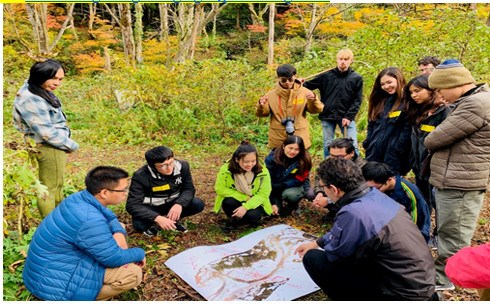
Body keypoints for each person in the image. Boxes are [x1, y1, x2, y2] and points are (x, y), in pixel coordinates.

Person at [294, 157, 436, 300]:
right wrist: (317, 242)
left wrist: (321, 248)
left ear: (334, 189)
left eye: (323, 187)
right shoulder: (375, 196)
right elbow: (344, 232)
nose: (324, 191)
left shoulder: (353, 213)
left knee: (313, 258)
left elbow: (338, 256)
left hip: (402, 294)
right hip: (422, 283)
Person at [22, 166, 146, 301]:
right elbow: (113, 258)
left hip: (49, 269)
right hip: (55, 287)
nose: (126, 193)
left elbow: (109, 217)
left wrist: (118, 232)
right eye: (123, 190)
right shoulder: (90, 220)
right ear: (104, 192)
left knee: (119, 227)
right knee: (133, 274)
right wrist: (139, 253)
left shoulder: (80, 198)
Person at [424, 59, 490, 291]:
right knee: (449, 230)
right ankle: (447, 274)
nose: (439, 96)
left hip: (461, 183)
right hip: (456, 180)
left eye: (440, 89)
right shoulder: (473, 102)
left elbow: (434, 138)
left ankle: (445, 281)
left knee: (454, 234)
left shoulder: (476, 104)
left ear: (455, 83)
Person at [13, 59, 79, 218]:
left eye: (60, 79)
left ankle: (59, 219)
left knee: (56, 185)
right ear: (40, 76)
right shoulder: (31, 98)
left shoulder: (34, 87)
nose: (57, 83)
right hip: (48, 146)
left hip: (50, 145)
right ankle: (51, 227)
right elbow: (46, 132)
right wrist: (70, 145)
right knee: (49, 188)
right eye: (53, 78)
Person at [404, 74, 451, 248]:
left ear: (430, 90)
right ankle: (422, 233)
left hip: (436, 168)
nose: (414, 95)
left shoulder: (444, 111)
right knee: (423, 202)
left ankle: (439, 236)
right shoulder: (418, 112)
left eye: (418, 91)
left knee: (439, 203)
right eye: (411, 93)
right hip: (419, 167)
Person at [126, 146, 205, 236]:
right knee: (139, 225)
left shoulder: (183, 166)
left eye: (171, 162)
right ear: (152, 166)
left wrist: (179, 203)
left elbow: (189, 188)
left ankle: (172, 220)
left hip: (173, 203)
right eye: (162, 166)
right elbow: (132, 205)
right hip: (152, 206)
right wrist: (157, 218)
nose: (169, 168)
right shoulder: (140, 176)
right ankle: (157, 224)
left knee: (197, 204)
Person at [304, 48, 363, 157]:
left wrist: (349, 116)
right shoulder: (326, 76)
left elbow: (357, 99)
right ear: (337, 60)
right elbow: (307, 86)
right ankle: (327, 167)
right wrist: (299, 82)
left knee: (352, 144)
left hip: (346, 117)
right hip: (327, 114)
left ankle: (356, 168)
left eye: (346, 59)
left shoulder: (356, 78)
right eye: (341, 59)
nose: (343, 62)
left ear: (351, 61)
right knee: (328, 143)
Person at [256, 64, 323, 150]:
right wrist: (261, 106)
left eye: (290, 79)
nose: (287, 82)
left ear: (295, 77)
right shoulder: (270, 95)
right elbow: (262, 114)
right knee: (277, 162)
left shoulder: (305, 92)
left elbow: (316, 110)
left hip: (299, 136)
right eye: (284, 80)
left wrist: (313, 100)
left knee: (300, 163)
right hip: (278, 138)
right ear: (278, 79)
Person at [362, 161, 431, 242]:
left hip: (412, 233)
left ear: (389, 180)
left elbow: (414, 221)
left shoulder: (408, 193)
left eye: (376, 189)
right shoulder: (379, 188)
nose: (372, 191)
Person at [362, 67, 411, 176]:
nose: (386, 87)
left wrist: (399, 147)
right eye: (383, 84)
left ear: (399, 79)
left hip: (394, 155)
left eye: (389, 82)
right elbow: (372, 123)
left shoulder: (408, 101)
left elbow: (407, 129)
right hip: (374, 151)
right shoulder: (380, 101)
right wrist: (368, 142)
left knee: (391, 184)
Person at [214, 140, 272, 230]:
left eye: (253, 161)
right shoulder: (226, 170)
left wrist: (246, 207)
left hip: (255, 201)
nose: (250, 165)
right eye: (246, 162)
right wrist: (244, 197)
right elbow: (220, 189)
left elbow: (264, 194)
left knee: (252, 216)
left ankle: (242, 220)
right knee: (228, 202)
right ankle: (235, 219)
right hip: (238, 198)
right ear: (237, 160)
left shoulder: (263, 171)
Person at [309, 138, 366, 219]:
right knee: (311, 193)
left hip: (351, 198)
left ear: (352, 153)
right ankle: (333, 211)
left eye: (340, 156)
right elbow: (319, 177)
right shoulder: (330, 161)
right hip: (333, 190)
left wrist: (329, 200)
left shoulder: (362, 167)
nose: (335, 159)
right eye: (332, 155)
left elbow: (356, 193)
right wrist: (320, 192)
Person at [265, 135, 312, 217]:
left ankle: (293, 205)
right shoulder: (272, 159)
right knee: (274, 213)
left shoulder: (304, 160)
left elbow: (300, 179)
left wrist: (284, 185)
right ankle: (277, 201)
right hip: (273, 187)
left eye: (297, 149)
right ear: (284, 146)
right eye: (290, 148)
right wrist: (272, 202)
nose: (293, 152)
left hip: (291, 186)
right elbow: (266, 181)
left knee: (291, 195)